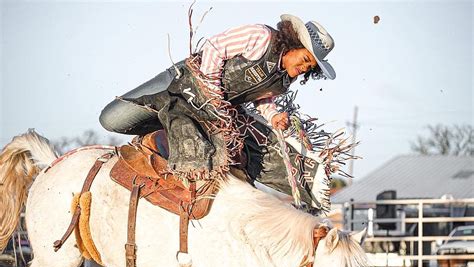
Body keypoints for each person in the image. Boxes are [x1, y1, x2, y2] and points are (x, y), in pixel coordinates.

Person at [99, 14, 336, 208]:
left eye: (309, 68)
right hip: (183, 86)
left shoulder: (283, 81)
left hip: (208, 114)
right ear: (293, 45)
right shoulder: (261, 37)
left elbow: (262, 100)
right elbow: (215, 48)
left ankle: (173, 134)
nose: (304, 68)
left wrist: (273, 116)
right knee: (113, 120)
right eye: (305, 59)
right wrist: (212, 94)